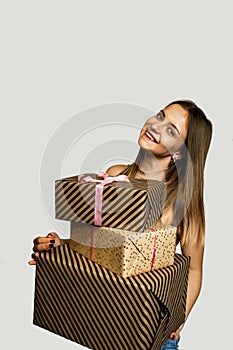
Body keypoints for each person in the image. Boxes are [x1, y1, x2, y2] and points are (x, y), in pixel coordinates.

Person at [29, 100, 213, 349]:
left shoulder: (182, 204)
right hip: (109, 321)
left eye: (171, 131)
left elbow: (194, 270)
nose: (156, 126)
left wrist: (177, 320)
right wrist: (60, 246)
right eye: (160, 116)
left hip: (152, 336)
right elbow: (99, 243)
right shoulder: (114, 176)